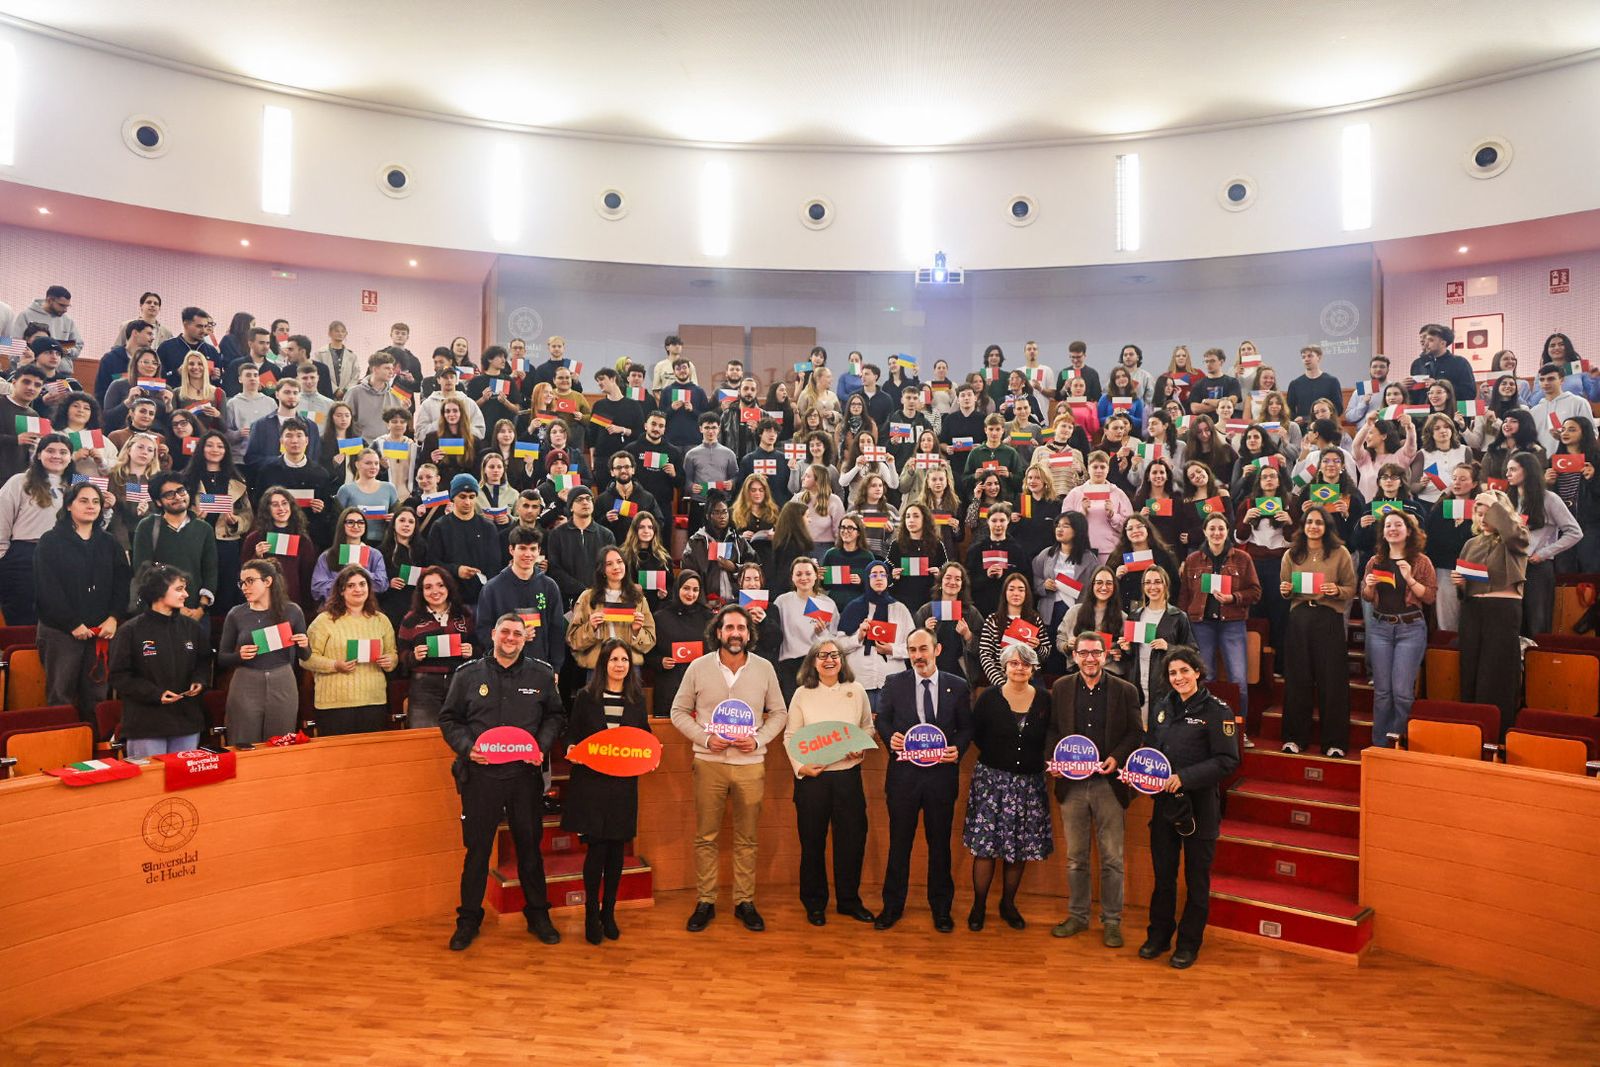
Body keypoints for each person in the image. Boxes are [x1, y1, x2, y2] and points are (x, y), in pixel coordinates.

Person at [439, 611, 567, 950]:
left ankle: (538, 914)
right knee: (477, 852)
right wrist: (468, 749)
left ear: (526, 638)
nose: (510, 638)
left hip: (524, 778)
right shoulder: (468, 675)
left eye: (517, 634)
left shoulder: (541, 674)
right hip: (480, 777)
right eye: (505, 632)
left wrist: (540, 746)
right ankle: (468, 920)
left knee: (529, 850)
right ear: (493, 634)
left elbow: (556, 715)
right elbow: (449, 719)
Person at [669, 604, 787, 933]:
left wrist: (760, 740)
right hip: (709, 764)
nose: (735, 633)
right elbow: (678, 711)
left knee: (747, 838)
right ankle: (705, 901)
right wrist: (706, 739)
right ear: (718, 632)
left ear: (750, 634)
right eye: (729, 627)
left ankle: (744, 902)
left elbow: (779, 712)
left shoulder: (764, 668)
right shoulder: (697, 667)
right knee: (706, 836)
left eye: (741, 628)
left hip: (750, 765)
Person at [1137, 647, 1240, 970]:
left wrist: (1184, 778)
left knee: (1197, 881)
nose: (1178, 678)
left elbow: (1228, 761)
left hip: (1200, 808)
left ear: (1197, 671)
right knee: (1163, 877)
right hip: (1165, 806)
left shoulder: (1217, 711)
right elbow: (1152, 751)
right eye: (1172, 673)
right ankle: (1158, 936)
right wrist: (1140, 773)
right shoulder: (1163, 707)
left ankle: (1189, 943)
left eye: (1184, 671)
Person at [1045, 630, 1143, 946]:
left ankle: (1112, 921)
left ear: (1105, 654)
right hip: (1071, 787)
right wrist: (1053, 760)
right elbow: (1052, 731)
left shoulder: (1125, 690)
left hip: (1108, 785)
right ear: (1074, 656)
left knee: (1112, 858)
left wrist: (1117, 758)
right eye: (1084, 653)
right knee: (1076, 858)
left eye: (1095, 653)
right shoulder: (1059, 688)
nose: (1089, 658)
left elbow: (1134, 733)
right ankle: (1078, 916)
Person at [872, 628, 972, 932]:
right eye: (912, 650)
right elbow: (884, 721)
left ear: (937, 649)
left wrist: (958, 749)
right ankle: (892, 907)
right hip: (903, 778)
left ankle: (941, 910)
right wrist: (892, 738)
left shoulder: (958, 685)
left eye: (923, 649)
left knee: (939, 845)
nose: (918, 656)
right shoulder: (894, 683)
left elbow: (967, 728)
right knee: (899, 844)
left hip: (941, 778)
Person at [783, 636, 876, 926]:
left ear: (842, 660)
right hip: (814, 780)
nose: (829, 660)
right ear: (813, 662)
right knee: (812, 843)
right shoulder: (801, 694)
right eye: (822, 655)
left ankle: (849, 901)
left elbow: (868, 728)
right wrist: (801, 767)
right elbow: (790, 736)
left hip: (848, 777)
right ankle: (814, 903)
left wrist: (862, 744)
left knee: (851, 842)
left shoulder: (856, 690)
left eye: (834, 655)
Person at [563, 638, 650, 944]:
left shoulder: (637, 699)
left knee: (616, 853)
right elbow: (572, 735)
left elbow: (645, 738)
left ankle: (608, 913)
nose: (619, 665)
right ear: (604, 664)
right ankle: (590, 912)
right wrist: (572, 748)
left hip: (623, 786)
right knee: (597, 850)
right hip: (592, 785)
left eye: (624, 660)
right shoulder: (586, 697)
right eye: (614, 659)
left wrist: (652, 754)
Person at [964, 642, 1052, 932]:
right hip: (991, 782)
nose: (1019, 668)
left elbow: (1050, 738)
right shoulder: (988, 698)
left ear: (1032, 668)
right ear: (1005, 666)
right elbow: (975, 734)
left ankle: (1008, 904)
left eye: (1025, 664)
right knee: (985, 849)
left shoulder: (1044, 700)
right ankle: (979, 906)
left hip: (1029, 784)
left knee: (1019, 847)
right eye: (1014, 663)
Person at [33, 481, 128, 724]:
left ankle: (92, 751)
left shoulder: (110, 542)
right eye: (84, 500)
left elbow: (122, 584)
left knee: (96, 697)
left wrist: (114, 618)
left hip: (100, 631)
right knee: (60, 696)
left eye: (96, 501)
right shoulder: (50, 541)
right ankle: (62, 753)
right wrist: (73, 623)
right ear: (68, 505)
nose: (91, 506)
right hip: (61, 631)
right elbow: (47, 589)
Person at [1277, 506, 1358, 757]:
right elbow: (1284, 588)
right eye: (1310, 522)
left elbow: (1350, 587)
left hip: (1328, 617)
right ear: (1303, 526)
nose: (1314, 526)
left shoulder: (1339, 552)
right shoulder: (1292, 553)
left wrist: (1337, 591)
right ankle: (1294, 738)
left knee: (1332, 680)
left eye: (1319, 523)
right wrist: (1286, 589)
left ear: (1327, 527)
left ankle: (1334, 742)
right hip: (1300, 617)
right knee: (1298, 678)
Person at [107, 563, 209, 757]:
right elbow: (119, 677)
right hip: (146, 724)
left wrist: (200, 680)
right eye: (179, 589)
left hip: (186, 722)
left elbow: (203, 662)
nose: (186, 595)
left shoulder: (192, 628)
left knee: (184, 784)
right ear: (159, 591)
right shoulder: (130, 631)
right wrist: (154, 694)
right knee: (149, 785)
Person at [1178, 514, 1262, 736]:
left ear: (1227, 532)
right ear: (1204, 531)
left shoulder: (1243, 559)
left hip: (1232, 624)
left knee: (1238, 680)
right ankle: (1205, 729)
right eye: (1212, 528)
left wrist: (1233, 598)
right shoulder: (1193, 560)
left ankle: (1239, 730)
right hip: (1201, 625)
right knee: (1205, 678)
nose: (1216, 533)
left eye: (1221, 529)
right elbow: (1185, 596)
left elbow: (1255, 592)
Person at [1455, 490, 1530, 735]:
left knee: (1495, 674)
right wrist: (1461, 584)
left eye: (1489, 511)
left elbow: (1512, 533)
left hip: (1502, 611)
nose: (1484, 516)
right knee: (1471, 671)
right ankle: (1472, 729)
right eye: (1480, 511)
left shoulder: (1515, 538)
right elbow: (1466, 588)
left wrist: (1494, 503)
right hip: (1473, 610)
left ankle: (1496, 734)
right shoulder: (1470, 544)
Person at [1362, 512, 1437, 748]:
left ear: (1409, 531)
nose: (1392, 529)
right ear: (1383, 532)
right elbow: (1365, 595)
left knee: (1403, 692)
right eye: (1388, 525)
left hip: (1410, 628)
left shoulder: (1421, 561)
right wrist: (1369, 586)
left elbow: (1430, 597)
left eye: (1398, 525)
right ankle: (1379, 745)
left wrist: (1410, 579)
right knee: (1383, 692)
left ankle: (1398, 742)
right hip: (1380, 628)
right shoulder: (1375, 561)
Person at [216, 559, 310, 745]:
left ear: (268, 582)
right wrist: (239, 656)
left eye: (250, 581)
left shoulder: (292, 611)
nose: (245, 587)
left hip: (282, 680)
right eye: (242, 582)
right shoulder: (236, 614)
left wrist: (304, 644)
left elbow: (305, 656)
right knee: (244, 742)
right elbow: (222, 658)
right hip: (246, 682)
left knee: (280, 742)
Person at [304, 565, 399, 735]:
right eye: (351, 585)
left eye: (362, 584)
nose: (358, 589)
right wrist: (335, 665)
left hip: (373, 701)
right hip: (334, 705)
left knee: (370, 758)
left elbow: (393, 654)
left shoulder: (381, 620)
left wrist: (390, 661)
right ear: (341, 590)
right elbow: (306, 659)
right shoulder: (324, 620)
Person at [130, 472, 218, 634]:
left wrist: (201, 608)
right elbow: (143, 571)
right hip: (159, 612)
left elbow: (210, 571)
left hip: (196, 613)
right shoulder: (147, 526)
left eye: (181, 491)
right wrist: (177, 606)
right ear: (158, 501)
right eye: (169, 494)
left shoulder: (203, 528)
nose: (178, 497)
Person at [0, 432, 73, 626]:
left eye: (63, 452)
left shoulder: (76, 485)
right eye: (50, 450)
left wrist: (106, 508)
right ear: (39, 454)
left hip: (65, 555)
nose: (57, 456)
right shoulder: (19, 481)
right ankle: (18, 655)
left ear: (70, 457)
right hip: (25, 554)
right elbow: (2, 515)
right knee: (22, 612)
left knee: (58, 612)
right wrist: (3, 554)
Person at [475, 526, 566, 673]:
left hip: (539, 667)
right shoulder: (492, 588)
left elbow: (557, 630)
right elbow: (483, 630)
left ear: (539, 551)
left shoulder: (549, 586)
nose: (528, 554)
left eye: (533, 549)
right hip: (502, 668)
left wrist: (555, 668)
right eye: (522, 548)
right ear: (511, 550)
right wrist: (512, 640)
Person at [398, 566, 476, 730]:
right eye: (428, 587)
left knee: (462, 737)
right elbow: (401, 655)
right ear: (421, 592)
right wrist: (414, 656)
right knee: (423, 740)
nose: (435, 591)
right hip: (424, 688)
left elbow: (481, 649)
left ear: (448, 587)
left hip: (459, 683)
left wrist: (472, 651)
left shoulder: (465, 614)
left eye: (440, 585)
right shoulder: (411, 619)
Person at [834, 559, 912, 710]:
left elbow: (913, 647)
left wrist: (892, 650)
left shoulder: (900, 609)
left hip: (892, 680)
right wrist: (859, 636)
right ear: (867, 578)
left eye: (883, 575)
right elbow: (838, 646)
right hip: (860, 681)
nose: (879, 578)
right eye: (874, 575)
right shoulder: (853, 607)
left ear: (888, 579)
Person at [1122, 567, 1195, 725]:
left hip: (1163, 683)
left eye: (1157, 582)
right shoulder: (1135, 616)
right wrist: (1126, 648)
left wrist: (1168, 647)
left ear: (1165, 585)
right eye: (1148, 582)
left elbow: (1192, 652)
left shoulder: (1178, 616)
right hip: (1137, 682)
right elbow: (1129, 655)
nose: (1152, 586)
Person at [566, 546, 657, 672]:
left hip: (629, 668)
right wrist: (591, 627)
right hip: (597, 667)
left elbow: (650, 642)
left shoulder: (637, 599)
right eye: (609, 564)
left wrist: (637, 631)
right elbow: (572, 640)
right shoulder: (587, 597)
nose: (616, 567)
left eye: (619, 562)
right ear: (602, 570)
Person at [423, 473, 504, 606]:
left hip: (481, 599)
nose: (467, 502)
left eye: (472, 497)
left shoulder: (488, 528)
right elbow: (433, 563)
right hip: (449, 599)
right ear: (453, 497)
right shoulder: (440, 527)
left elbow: (494, 565)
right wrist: (456, 570)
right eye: (462, 497)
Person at [1407, 324, 1476, 406]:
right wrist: (1405, 388)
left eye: (1431, 340)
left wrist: (1440, 386)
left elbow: (1470, 392)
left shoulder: (1460, 362)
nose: (1426, 344)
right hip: (1424, 414)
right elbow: (1414, 397)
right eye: (1426, 340)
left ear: (1443, 343)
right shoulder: (1417, 364)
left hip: (1452, 413)